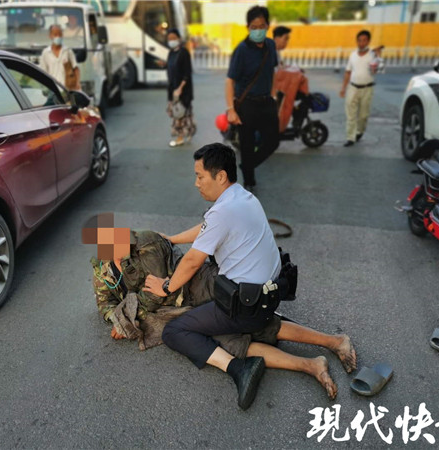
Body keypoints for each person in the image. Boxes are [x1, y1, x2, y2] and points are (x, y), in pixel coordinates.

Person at [142, 143, 357, 410]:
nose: (196, 183)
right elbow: (207, 228)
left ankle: (237, 367)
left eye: (200, 176)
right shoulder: (242, 197)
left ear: (221, 176)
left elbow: (192, 261)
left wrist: (166, 286)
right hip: (269, 292)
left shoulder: (222, 211)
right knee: (258, 322)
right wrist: (172, 239)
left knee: (176, 331)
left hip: (245, 304)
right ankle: (332, 344)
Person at [86, 218, 356, 403]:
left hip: (198, 284)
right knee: (232, 344)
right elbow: (104, 304)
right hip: (178, 312)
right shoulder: (102, 268)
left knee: (252, 320)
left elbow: (155, 295)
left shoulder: (145, 242)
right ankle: (311, 365)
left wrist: (129, 316)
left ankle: (333, 341)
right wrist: (116, 318)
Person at [225, 6, 280, 192]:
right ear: (247, 27)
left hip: (267, 102)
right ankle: (249, 181)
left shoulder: (271, 45)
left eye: (261, 26)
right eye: (253, 27)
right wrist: (231, 110)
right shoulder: (241, 50)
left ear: (268, 25)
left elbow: (272, 71)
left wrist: (273, 96)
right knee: (247, 145)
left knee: (273, 142)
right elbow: (230, 81)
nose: (258, 30)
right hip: (247, 104)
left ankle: (247, 166)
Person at [339, 30, 383, 147]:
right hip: (353, 87)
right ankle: (350, 137)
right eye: (359, 40)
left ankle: (359, 131)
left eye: (364, 40)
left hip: (367, 88)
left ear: (368, 41)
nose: (361, 43)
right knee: (350, 114)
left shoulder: (372, 55)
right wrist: (343, 88)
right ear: (357, 41)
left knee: (363, 115)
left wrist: (378, 56)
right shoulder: (353, 55)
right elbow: (348, 72)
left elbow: (376, 71)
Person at [165, 28, 196, 148]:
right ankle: (189, 130)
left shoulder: (184, 53)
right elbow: (170, 69)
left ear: (179, 38)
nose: (171, 40)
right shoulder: (171, 53)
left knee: (179, 114)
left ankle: (180, 138)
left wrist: (180, 88)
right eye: (169, 38)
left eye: (173, 38)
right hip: (172, 88)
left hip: (183, 90)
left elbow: (187, 73)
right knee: (179, 113)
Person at [39, 25, 81, 91]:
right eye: (55, 34)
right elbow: (43, 73)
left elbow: (75, 68)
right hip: (53, 90)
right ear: (50, 36)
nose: (58, 37)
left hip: (67, 89)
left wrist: (77, 83)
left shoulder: (67, 51)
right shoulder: (46, 53)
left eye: (60, 34)